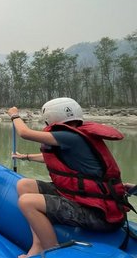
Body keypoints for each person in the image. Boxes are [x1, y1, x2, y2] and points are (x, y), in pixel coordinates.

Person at [7, 97, 131, 258]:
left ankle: (51, 251)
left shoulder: (69, 136)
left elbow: (25, 133)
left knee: (27, 202)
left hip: (99, 214)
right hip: (84, 198)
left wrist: (14, 116)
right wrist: (26, 156)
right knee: (24, 185)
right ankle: (37, 245)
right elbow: (55, 159)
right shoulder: (74, 135)